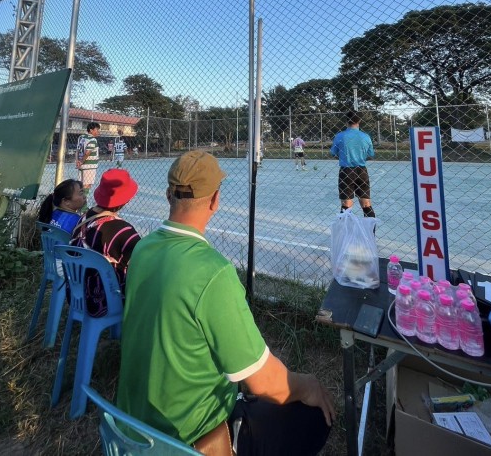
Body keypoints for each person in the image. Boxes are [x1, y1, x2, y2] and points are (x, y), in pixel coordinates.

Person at [117, 150, 334, 455]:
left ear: (168, 195)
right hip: (184, 439)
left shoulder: (142, 248)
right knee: (312, 418)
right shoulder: (213, 271)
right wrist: (308, 384)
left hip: (131, 426)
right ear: (215, 200)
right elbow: (264, 382)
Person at [70, 169, 140, 317]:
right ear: (127, 199)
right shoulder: (124, 231)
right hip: (104, 301)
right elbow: (140, 266)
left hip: (76, 294)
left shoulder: (84, 218)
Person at [330, 111, 376, 216]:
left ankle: (346, 226)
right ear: (359, 121)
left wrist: (344, 157)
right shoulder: (365, 136)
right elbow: (371, 155)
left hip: (346, 171)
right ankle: (370, 226)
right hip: (362, 170)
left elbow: (333, 153)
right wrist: (360, 158)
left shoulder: (340, 136)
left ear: (346, 121)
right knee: (366, 204)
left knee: (346, 205)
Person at [75, 122, 101, 198]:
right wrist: (82, 161)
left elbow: (77, 150)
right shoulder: (92, 139)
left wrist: (78, 161)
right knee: (87, 185)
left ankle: (79, 201)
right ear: (91, 130)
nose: (98, 132)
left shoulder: (82, 138)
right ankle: (83, 203)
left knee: (81, 184)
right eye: (97, 130)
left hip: (81, 165)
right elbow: (87, 152)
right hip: (89, 166)